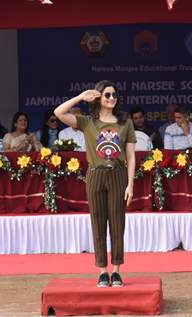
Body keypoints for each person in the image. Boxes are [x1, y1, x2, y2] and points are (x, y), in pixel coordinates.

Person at [54, 80, 136, 288]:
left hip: (117, 174)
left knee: (117, 224)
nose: (111, 99)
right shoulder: (87, 121)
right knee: (98, 223)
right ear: (99, 97)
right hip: (95, 175)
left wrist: (131, 185)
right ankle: (102, 271)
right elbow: (59, 112)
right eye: (107, 95)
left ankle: (116, 270)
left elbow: (131, 156)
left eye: (114, 95)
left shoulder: (125, 122)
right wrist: (81, 96)